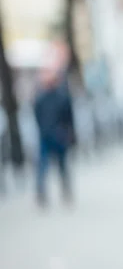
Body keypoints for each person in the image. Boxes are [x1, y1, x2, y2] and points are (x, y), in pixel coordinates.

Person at [33, 67, 75, 207]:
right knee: (44, 166)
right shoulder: (41, 99)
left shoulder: (62, 97)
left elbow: (69, 118)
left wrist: (69, 133)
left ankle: (65, 191)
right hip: (48, 136)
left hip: (58, 135)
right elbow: (37, 117)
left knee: (61, 166)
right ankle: (42, 193)